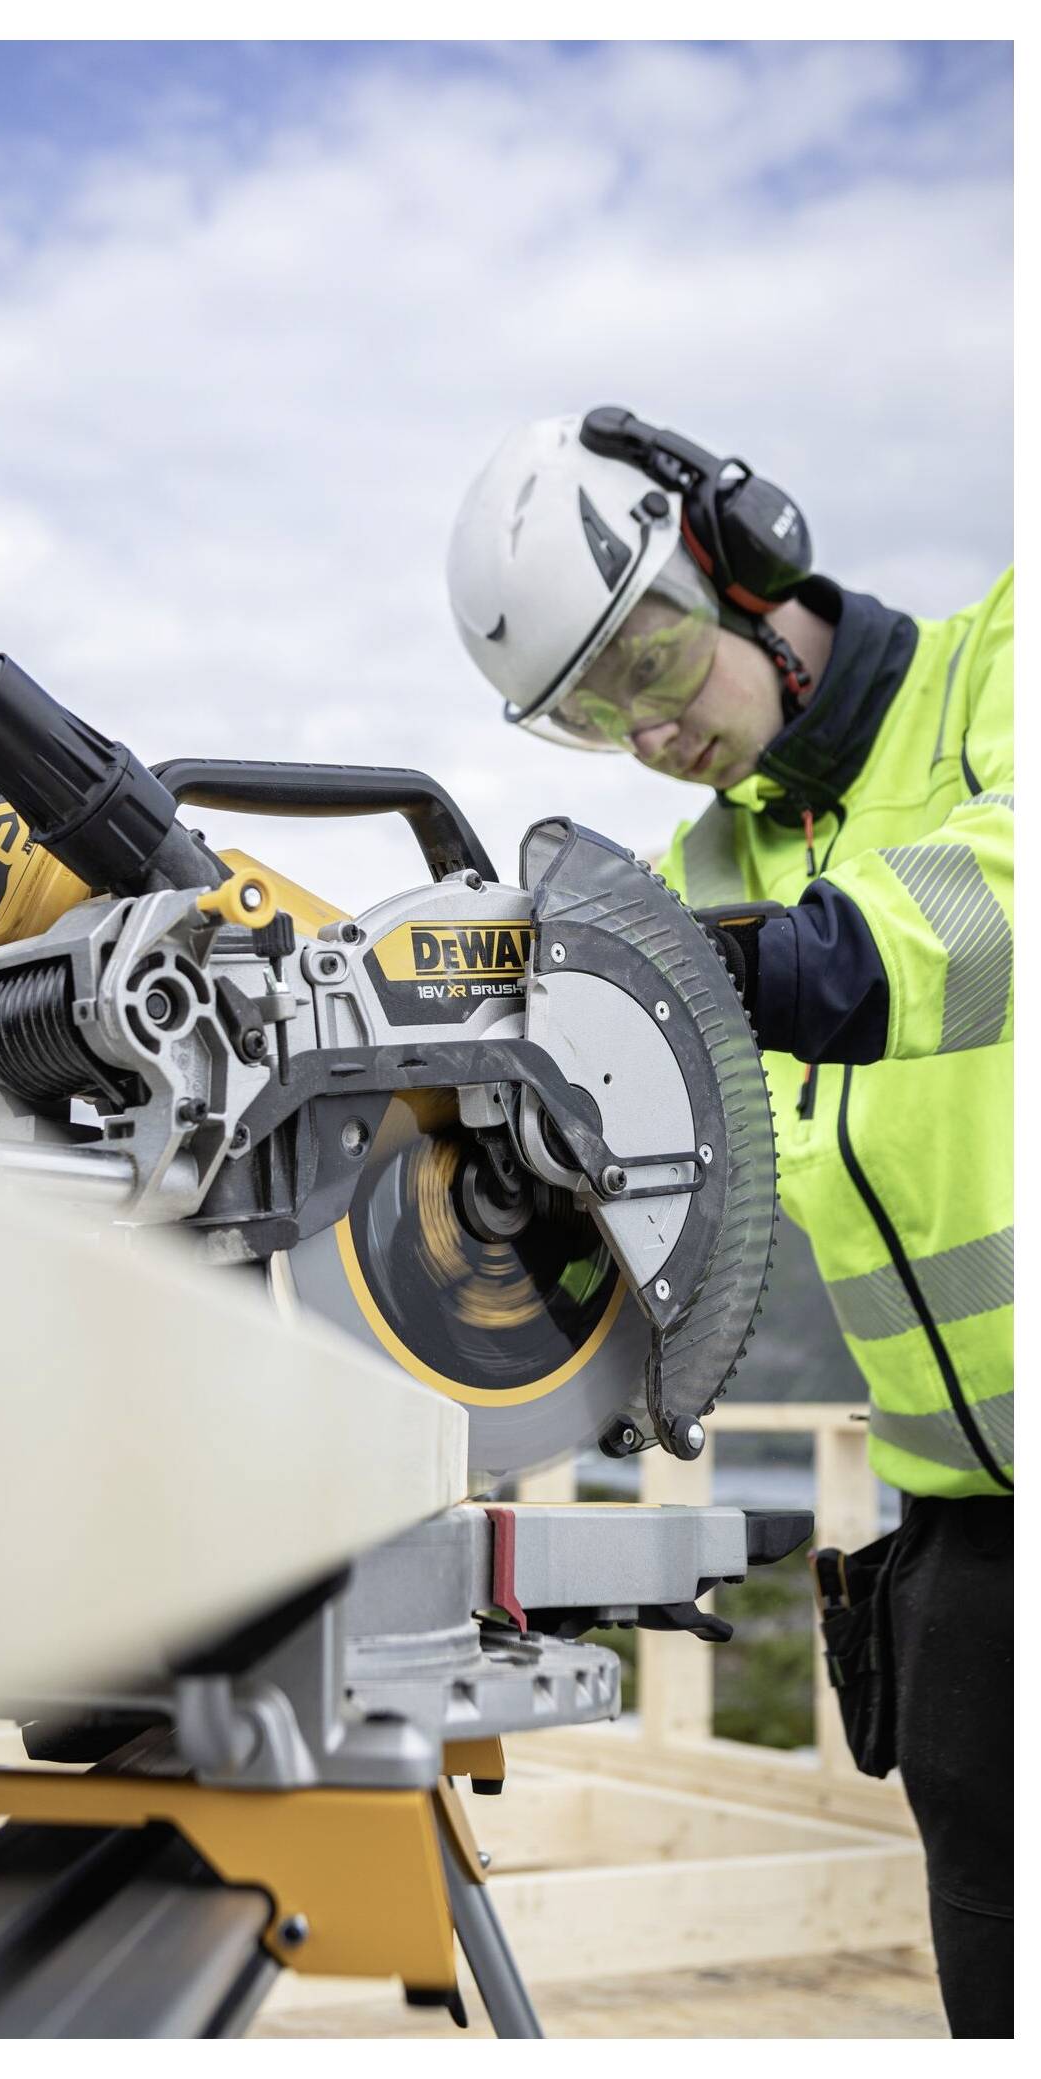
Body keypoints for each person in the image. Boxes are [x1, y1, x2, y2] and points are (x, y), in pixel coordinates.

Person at [446, 408, 1013, 2039]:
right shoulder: (716, 866)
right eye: (593, 716)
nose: (653, 730)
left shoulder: (1002, 669)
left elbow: (1004, 900)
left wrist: (737, 971)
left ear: (742, 549)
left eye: (652, 657)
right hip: (965, 1553)